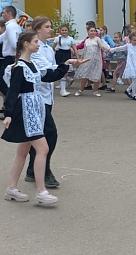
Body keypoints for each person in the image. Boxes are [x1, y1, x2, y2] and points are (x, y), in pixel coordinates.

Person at [25, 17, 88, 188]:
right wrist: (67, 65)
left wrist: (68, 64)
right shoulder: (35, 49)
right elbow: (47, 73)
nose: (50, 29)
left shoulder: (47, 48)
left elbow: (53, 68)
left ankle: (32, 170)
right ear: (37, 29)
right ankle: (44, 171)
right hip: (37, 97)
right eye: (47, 26)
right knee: (50, 134)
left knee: (38, 135)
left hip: (47, 97)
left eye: (50, 26)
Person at [1, 32, 59, 206]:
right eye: (35, 41)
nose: (38, 44)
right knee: (43, 148)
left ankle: (12, 188)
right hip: (26, 111)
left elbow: (48, 76)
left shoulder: (31, 64)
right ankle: (41, 192)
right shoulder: (19, 67)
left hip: (34, 109)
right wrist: (8, 114)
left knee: (22, 151)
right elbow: (12, 92)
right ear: (26, 44)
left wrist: (66, 66)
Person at [73, 27, 111, 97]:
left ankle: (96, 91)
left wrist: (109, 49)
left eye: (94, 31)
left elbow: (102, 46)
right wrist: (82, 59)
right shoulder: (86, 40)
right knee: (84, 75)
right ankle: (81, 90)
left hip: (96, 60)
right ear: (88, 32)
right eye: (91, 31)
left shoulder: (97, 39)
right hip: (87, 60)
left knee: (96, 75)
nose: (93, 32)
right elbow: (85, 50)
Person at [52, 24, 76, 97]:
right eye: (62, 30)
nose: (64, 31)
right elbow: (52, 47)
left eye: (65, 30)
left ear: (68, 31)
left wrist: (77, 57)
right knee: (59, 69)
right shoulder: (57, 38)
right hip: (59, 54)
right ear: (60, 31)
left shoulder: (70, 39)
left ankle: (63, 90)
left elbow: (74, 48)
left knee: (65, 70)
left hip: (67, 54)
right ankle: (65, 82)